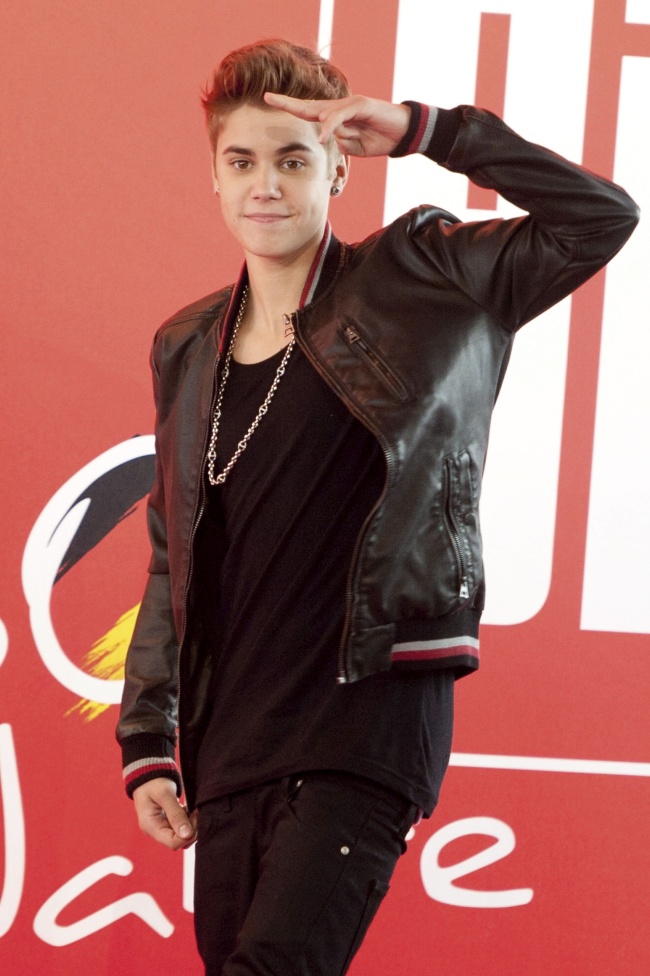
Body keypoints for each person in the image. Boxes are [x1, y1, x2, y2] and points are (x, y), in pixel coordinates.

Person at [116, 38, 638, 976]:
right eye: (242, 161)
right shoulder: (186, 345)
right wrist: (150, 738)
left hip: (367, 721)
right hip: (231, 741)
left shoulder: (424, 280)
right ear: (214, 176)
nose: (265, 186)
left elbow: (599, 217)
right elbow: (173, 554)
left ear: (339, 170)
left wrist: (426, 131)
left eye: (293, 160)